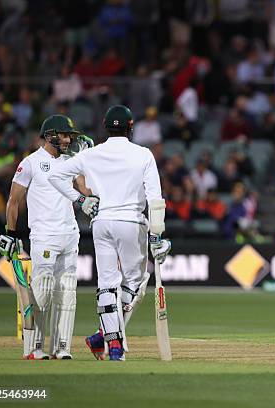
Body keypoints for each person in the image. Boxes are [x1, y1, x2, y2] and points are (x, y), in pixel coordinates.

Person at [48, 105, 171, 361]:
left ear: (105, 126)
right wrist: (157, 235)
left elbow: (56, 177)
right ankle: (107, 338)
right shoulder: (143, 154)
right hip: (131, 222)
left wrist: (80, 201)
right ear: (131, 126)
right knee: (135, 283)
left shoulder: (91, 154)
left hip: (101, 222)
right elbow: (154, 198)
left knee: (106, 284)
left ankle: (109, 343)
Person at [0, 114, 97, 360]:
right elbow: (14, 200)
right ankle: (34, 347)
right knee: (43, 289)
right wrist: (11, 233)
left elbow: (86, 190)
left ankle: (62, 348)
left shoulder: (70, 161)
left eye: (69, 136)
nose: (67, 140)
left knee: (66, 291)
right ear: (50, 135)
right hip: (43, 235)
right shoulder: (31, 162)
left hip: (69, 234)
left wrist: (87, 161)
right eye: (64, 135)